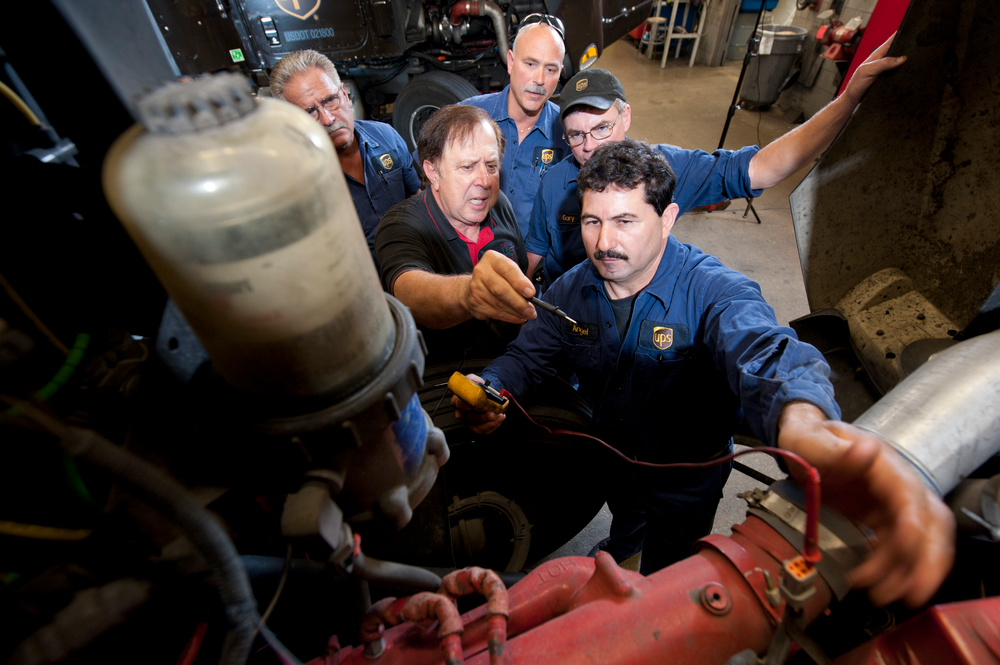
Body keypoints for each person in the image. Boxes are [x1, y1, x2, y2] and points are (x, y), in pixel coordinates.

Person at [452, 141, 954, 608]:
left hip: (685, 480)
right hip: (612, 458)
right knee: (625, 519)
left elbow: (765, 352)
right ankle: (625, 538)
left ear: (668, 219)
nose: (604, 242)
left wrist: (805, 425)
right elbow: (526, 356)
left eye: (626, 221)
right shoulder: (571, 289)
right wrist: (490, 387)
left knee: (666, 583)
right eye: (592, 222)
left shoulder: (715, 291)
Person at [525, 35, 906, 288]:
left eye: (603, 127)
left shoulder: (664, 168)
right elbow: (534, 257)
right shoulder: (555, 182)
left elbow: (765, 167)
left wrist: (847, 99)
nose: (591, 145)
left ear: (625, 117)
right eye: (577, 134)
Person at [374, 105, 539, 364]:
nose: (485, 181)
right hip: (440, 377)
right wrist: (469, 294)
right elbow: (408, 291)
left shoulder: (499, 204)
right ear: (432, 172)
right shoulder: (400, 225)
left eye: (492, 166)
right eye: (467, 167)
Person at [269, 50, 421, 267]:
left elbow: (416, 199)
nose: (328, 118)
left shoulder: (387, 137)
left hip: (415, 269)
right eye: (310, 112)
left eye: (330, 100)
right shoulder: (292, 183)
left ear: (344, 93)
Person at [461, 14, 571, 235]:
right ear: (510, 62)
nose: (539, 79)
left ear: (560, 74)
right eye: (531, 64)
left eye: (550, 69)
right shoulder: (468, 117)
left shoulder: (570, 134)